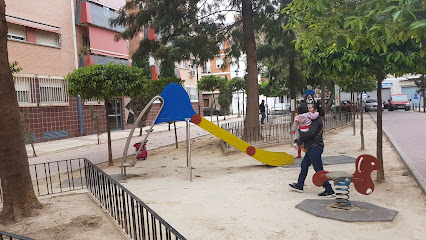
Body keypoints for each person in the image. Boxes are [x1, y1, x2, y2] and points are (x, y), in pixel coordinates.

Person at [289, 103, 335, 197]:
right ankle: (299, 185)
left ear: (315, 110)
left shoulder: (317, 121)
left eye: (310, 108)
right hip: (312, 147)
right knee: (304, 165)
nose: (308, 110)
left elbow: (310, 134)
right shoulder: (310, 120)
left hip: (315, 147)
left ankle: (329, 190)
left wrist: (300, 132)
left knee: (318, 169)